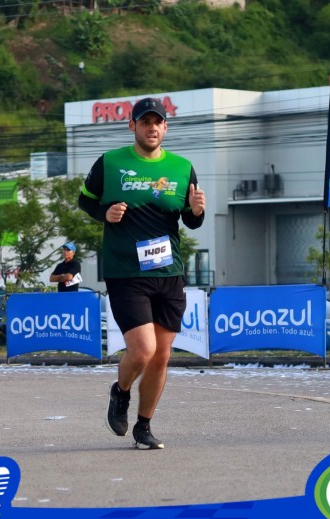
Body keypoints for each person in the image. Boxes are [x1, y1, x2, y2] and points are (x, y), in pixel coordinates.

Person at [79, 97, 206, 450]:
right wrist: (104, 214)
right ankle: (120, 392)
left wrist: (197, 212)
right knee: (142, 350)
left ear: (165, 127)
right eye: (145, 122)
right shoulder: (110, 162)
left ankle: (144, 427)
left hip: (169, 272)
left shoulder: (182, 168)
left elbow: (190, 220)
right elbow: (86, 200)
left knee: (161, 356)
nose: (152, 128)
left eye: (158, 122)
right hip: (126, 272)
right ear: (132, 125)